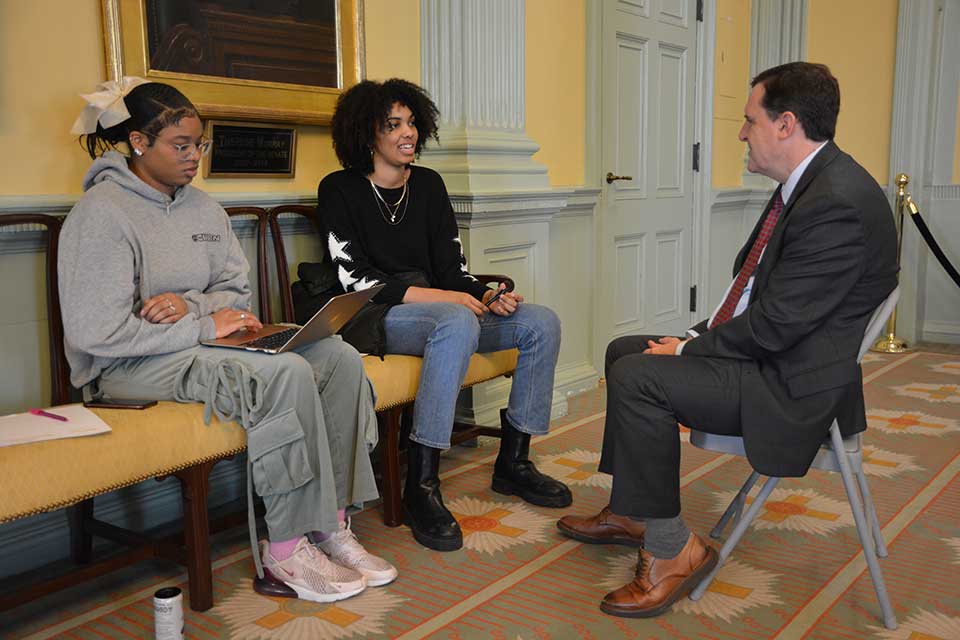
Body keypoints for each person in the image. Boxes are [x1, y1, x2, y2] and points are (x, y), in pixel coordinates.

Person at [557, 62, 899, 617]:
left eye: (748, 120)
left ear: (785, 124)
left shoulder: (834, 201)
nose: (741, 133)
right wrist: (692, 336)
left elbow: (777, 326)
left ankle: (673, 553)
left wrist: (688, 351)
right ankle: (637, 511)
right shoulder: (809, 183)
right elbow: (756, 294)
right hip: (783, 356)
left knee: (638, 376)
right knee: (627, 350)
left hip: (793, 385)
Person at [59, 78, 397, 604]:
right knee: (283, 372)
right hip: (124, 367)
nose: (195, 157)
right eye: (182, 145)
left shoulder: (203, 209)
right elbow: (96, 333)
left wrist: (189, 307)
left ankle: (330, 524)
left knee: (337, 357)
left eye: (201, 144)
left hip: (192, 343)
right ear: (139, 142)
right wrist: (200, 321)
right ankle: (284, 550)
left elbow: (235, 294)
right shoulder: (100, 215)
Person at [308, 78, 568, 552]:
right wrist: (444, 300)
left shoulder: (427, 184)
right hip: (374, 315)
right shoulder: (339, 189)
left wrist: (489, 295)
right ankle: (421, 484)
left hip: (441, 313)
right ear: (367, 135)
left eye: (411, 122)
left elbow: (453, 270)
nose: (408, 133)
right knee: (455, 320)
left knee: (540, 321)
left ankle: (515, 462)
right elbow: (356, 281)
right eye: (394, 125)